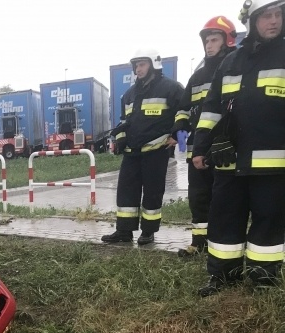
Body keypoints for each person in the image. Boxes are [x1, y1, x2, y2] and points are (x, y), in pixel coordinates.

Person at [192, 0, 285, 296]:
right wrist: (202, 146)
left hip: (272, 164)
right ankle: (223, 277)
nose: (274, 21)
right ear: (252, 22)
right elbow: (212, 108)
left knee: (268, 220)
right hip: (228, 160)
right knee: (224, 218)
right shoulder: (231, 62)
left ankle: (263, 279)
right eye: (267, 16)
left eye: (278, 14)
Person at [102, 50, 185, 245]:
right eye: (136, 65)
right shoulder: (129, 94)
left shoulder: (171, 88)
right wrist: (120, 139)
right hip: (132, 152)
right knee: (126, 191)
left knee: (152, 192)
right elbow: (124, 121)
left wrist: (179, 138)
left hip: (156, 150)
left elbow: (184, 113)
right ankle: (124, 231)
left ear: (154, 64)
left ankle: (148, 232)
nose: (138, 69)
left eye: (142, 64)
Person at [171, 17, 238, 258]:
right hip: (196, 150)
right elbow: (183, 107)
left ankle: (222, 245)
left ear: (228, 40)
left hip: (225, 149)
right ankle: (199, 243)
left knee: (224, 200)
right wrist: (180, 125)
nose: (209, 45)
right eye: (207, 41)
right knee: (198, 198)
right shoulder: (197, 77)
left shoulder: (235, 68)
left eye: (214, 40)